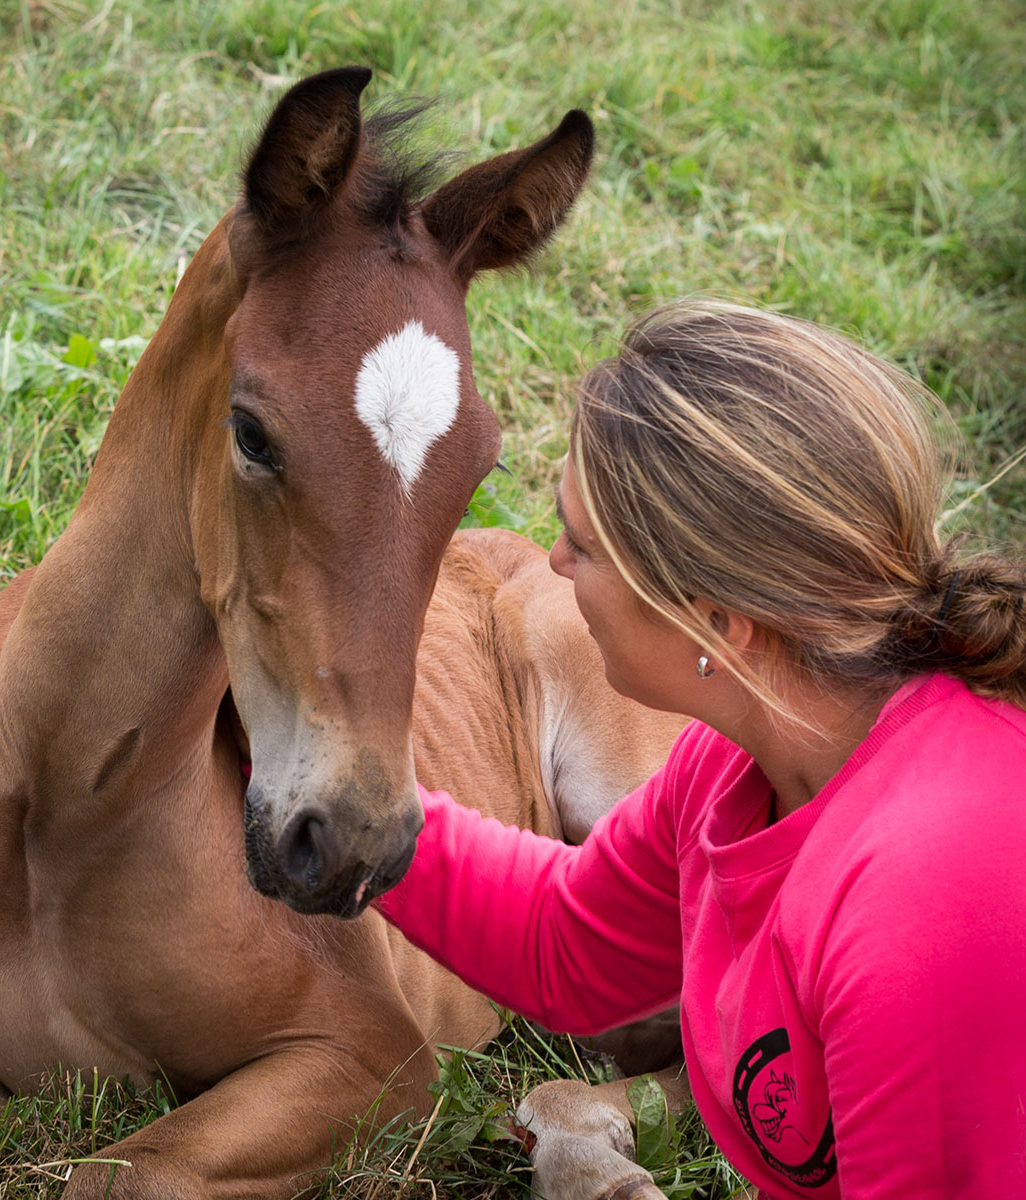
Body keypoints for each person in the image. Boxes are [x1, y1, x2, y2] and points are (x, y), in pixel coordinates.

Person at [377, 299, 1026, 1199]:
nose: (553, 565)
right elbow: (565, 942)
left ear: (716, 626)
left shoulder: (928, 901)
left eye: (581, 544)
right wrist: (358, 811)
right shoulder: (739, 764)